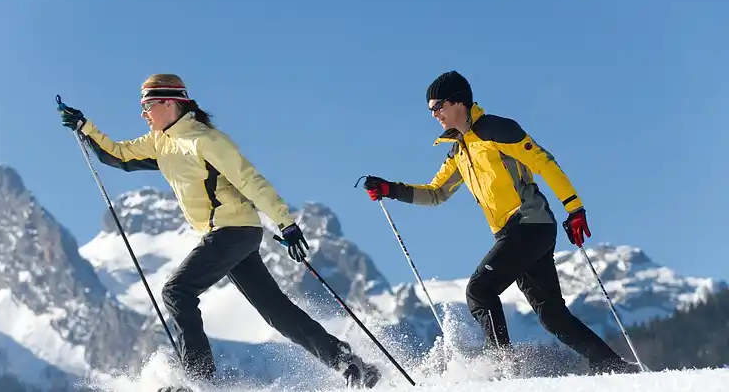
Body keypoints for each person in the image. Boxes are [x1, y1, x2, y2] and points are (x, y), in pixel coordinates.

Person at [57, 74, 381, 389]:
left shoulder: (205, 140)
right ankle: (352, 366)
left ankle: (199, 383)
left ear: (170, 103)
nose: (142, 114)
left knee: (177, 292)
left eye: (147, 106)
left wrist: (287, 223)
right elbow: (119, 156)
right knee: (276, 312)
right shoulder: (161, 142)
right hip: (228, 234)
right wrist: (85, 127)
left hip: (233, 229)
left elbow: (250, 180)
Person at [361, 70, 641, 376]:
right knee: (552, 316)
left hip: (530, 224)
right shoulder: (459, 151)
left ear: (458, 102)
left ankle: (504, 368)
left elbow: (544, 162)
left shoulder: (497, 129)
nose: (434, 114)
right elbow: (437, 192)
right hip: (513, 233)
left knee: (480, 290)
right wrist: (391, 189)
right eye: (431, 109)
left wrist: (574, 208)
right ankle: (612, 365)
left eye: (438, 106)